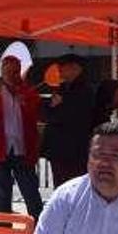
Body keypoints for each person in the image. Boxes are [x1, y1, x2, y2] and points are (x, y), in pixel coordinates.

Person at [0, 54, 44, 234]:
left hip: (22, 148)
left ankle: (39, 233)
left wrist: (25, 101)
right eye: (8, 70)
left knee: (31, 192)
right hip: (1, 148)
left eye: (16, 70)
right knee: (2, 194)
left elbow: (37, 112)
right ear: (2, 71)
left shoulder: (28, 91)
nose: (12, 74)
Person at [42, 53, 95, 187]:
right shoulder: (63, 88)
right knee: (60, 186)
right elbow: (48, 114)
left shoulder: (84, 91)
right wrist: (52, 106)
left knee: (74, 186)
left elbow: (71, 116)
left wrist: (57, 107)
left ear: (75, 69)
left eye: (62, 67)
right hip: (59, 149)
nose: (59, 71)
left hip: (74, 149)